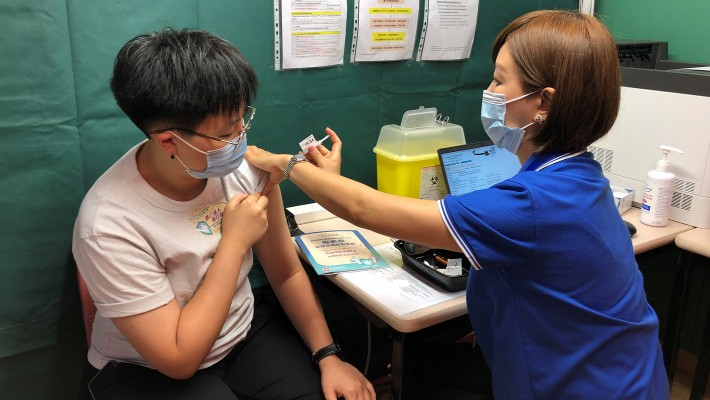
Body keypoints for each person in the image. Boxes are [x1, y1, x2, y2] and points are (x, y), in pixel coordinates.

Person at [246, 10, 670, 400]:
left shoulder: (531, 204)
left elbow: (365, 210)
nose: (488, 91)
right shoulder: (577, 174)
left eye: (499, 81)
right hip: (627, 373)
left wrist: (287, 164)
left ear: (542, 103)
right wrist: (333, 185)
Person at [72, 28, 374, 400]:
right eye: (227, 133)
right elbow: (178, 359)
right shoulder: (107, 224)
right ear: (168, 140)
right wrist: (233, 243)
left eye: (241, 122)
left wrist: (328, 356)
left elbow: (286, 270)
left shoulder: (244, 167)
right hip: (148, 369)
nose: (241, 140)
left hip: (242, 335)